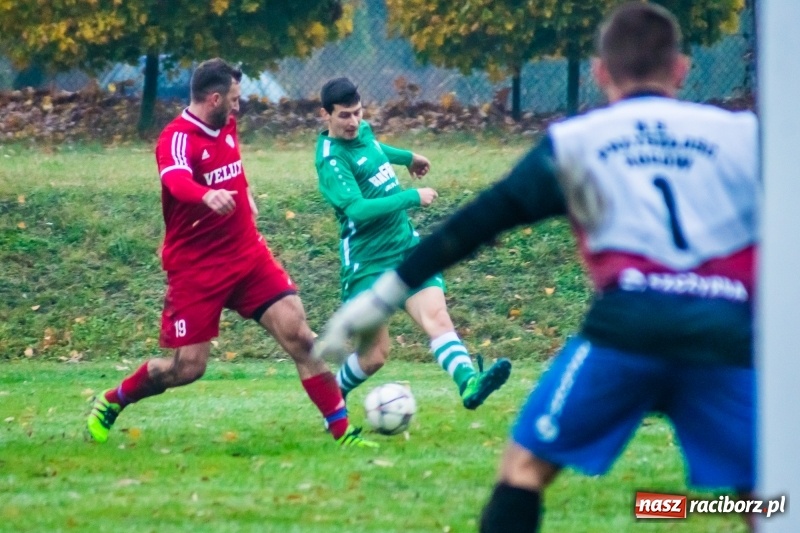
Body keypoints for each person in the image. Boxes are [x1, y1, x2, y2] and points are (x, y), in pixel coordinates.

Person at [314, 3, 758, 531]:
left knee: (524, 470)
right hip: (724, 331)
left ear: (600, 73)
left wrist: (386, 294)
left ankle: (659, 506)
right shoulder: (744, 135)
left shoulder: (577, 140)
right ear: (682, 70)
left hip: (626, 329)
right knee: (765, 494)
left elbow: (478, 222)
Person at [86, 58, 376, 449]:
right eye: (235, 99)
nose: (239, 106)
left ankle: (343, 433)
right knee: (187, 368)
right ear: (214, 98)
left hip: (247, 255)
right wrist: (206, 195)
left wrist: (246, 193)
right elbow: (176, 181)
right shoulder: (176, 137)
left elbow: (232, 164)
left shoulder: (227, 125)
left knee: (300, 337)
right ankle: (113, 400)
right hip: (197, 269)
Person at [314, 77, 512, 410]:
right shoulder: (331, 160)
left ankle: (469, 382)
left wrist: (407, 158)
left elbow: (375, 149)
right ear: (325, 115)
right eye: (344, 115)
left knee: (437, 316)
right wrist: (411, 197)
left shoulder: (361, 131)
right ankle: (333, 397)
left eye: (357, 113)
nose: (353, 122)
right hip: (367, 264)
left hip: (406, 249)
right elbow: (358, 210)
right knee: (375, 356)